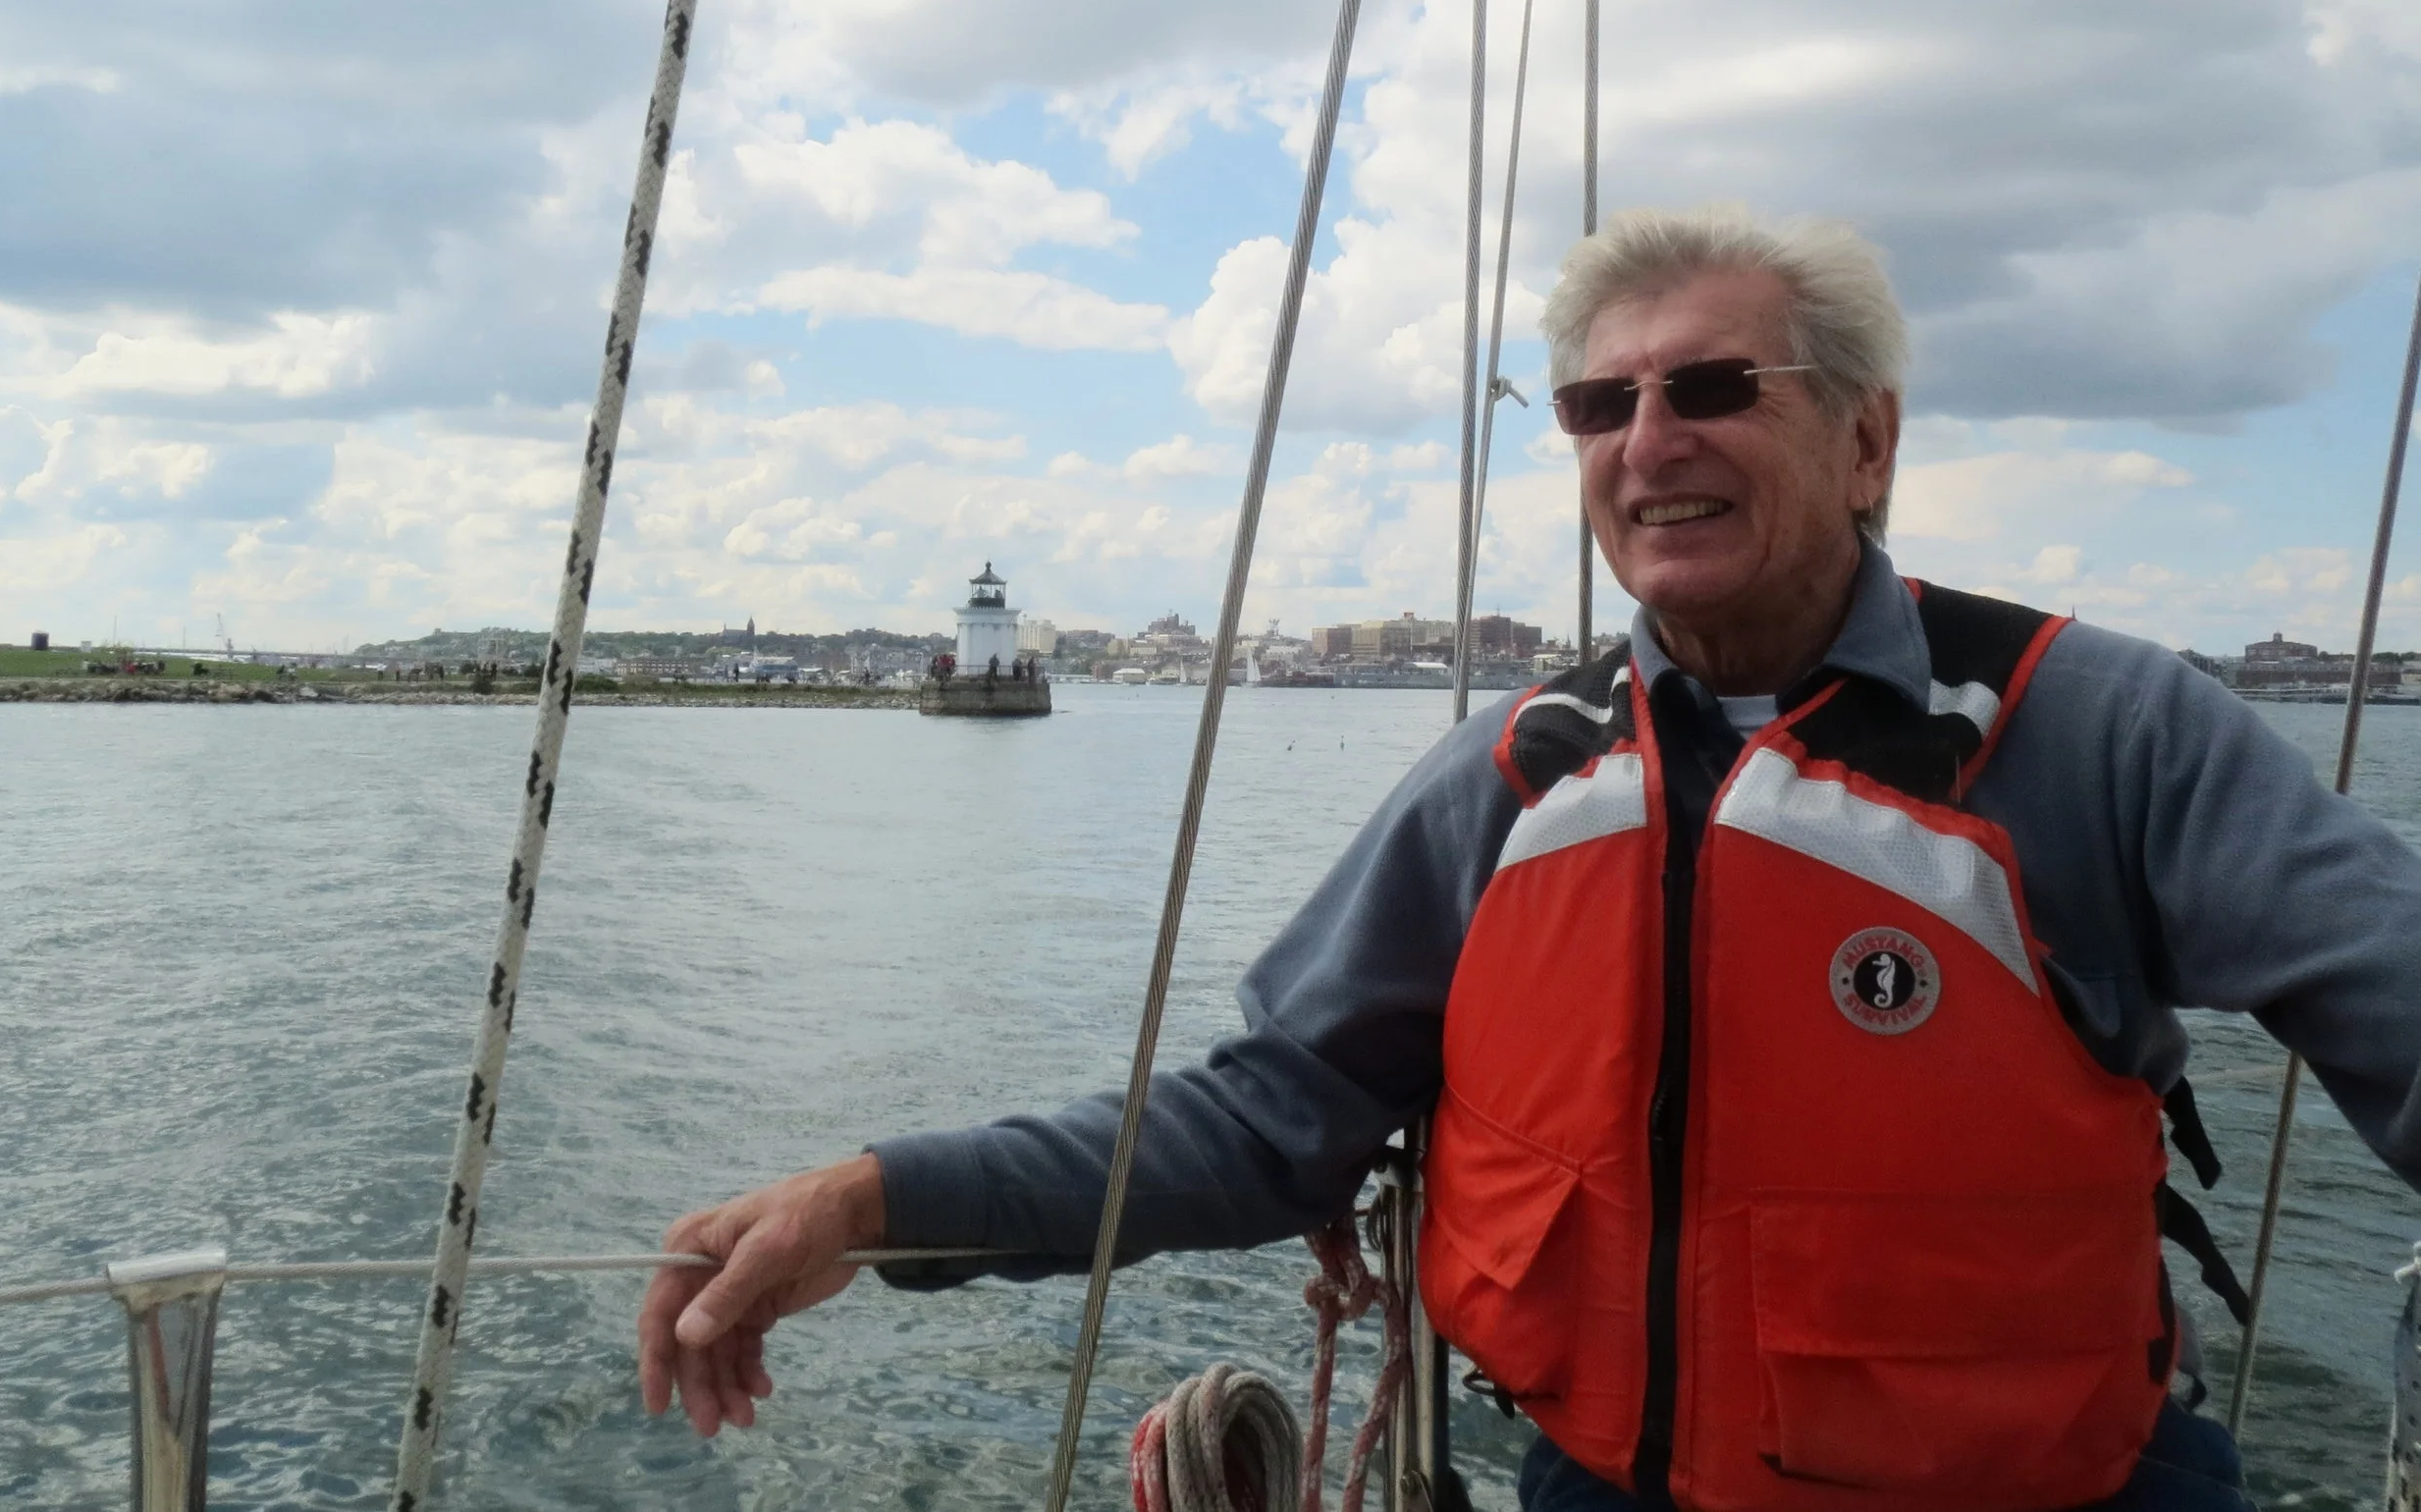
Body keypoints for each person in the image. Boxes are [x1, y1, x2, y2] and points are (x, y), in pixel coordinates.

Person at [638, 205, 2421, 1510]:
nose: (1649, 442)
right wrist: (872, 1200)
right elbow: (1264, 1118)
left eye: (1714, 386)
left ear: (1867, 439)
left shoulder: (2097, 733)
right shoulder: (1517, 775)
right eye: (1596, 404)